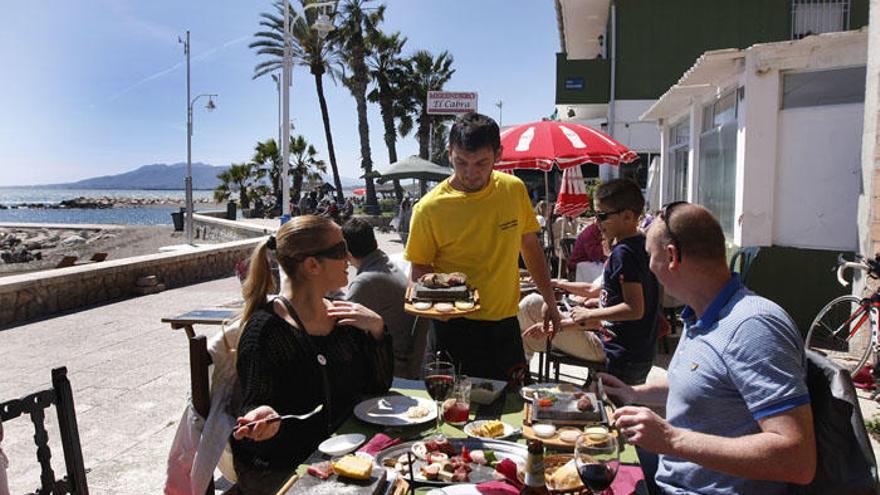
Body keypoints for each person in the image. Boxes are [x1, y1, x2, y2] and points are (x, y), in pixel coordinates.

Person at [605, 203, 816, 494]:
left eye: (649, 257)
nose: (649, 268)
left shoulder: (753, 326)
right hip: (669, 481)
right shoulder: (702, 316)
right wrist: (632, 394)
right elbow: (706, 386)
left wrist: (671, 439)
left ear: (671, 256)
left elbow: (797, 460)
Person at [231, 215, 393, 494]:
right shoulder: (266, 331)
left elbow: (376, 388)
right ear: (312, 265)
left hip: (347, 459)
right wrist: (263, 418)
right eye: (341, 250)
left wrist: (377, 329)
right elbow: (254, 411)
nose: (349, 257)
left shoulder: (343, 315)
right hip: (287, 471)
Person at [405, 112, 562, 383]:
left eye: (481, 163)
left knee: (509, 411)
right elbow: (419, 267)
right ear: (449, 153)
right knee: (450, 411)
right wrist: (434, 309)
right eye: (461, 162)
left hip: (504, 324)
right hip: (451, 328)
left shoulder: (513, 189)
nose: (470, 172)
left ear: (498, 155)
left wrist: (549, 299)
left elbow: (530, 246)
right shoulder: (429, 208)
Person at [524, 179, 659, 385]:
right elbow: (604, 299)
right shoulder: (637, 247)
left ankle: (517, 374)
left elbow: (634, 309)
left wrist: (589, 313)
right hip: (627, 351)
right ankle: (522, 369)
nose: (596, 222)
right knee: (534, 314)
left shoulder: (624, 254)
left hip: (616, 353)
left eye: (602, 215)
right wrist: (566, 318)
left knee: (530, 307)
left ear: (628, 216)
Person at [342, 218, 427, 379]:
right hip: (405, 361)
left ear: (346, 254)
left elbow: (346, 338)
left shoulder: (365, 282)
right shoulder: (388, 265)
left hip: (389, 370)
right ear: (374, 241)